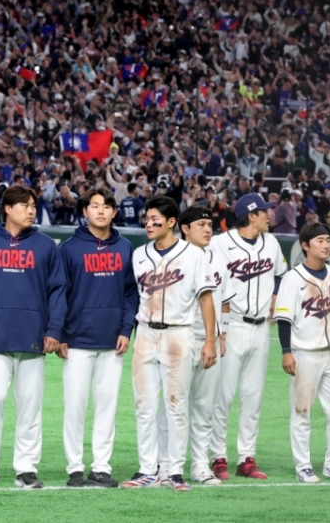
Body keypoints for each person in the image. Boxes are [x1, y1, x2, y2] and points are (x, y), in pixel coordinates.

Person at [0, 186, 65, 490]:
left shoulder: (46, 246)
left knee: (30, 404)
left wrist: (54, 329)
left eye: (33, 205)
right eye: (25, 205)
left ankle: (26, 468)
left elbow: (57, 290)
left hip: (33, 336)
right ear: (7, 208)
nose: (31, 210)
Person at [121, 196, 217, 491]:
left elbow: (206, 298)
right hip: (145, 334)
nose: (149, 223)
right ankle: (148, 470)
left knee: (176, 405)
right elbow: (131, 296)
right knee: (144, 406)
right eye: (147, 219)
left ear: (172, 222)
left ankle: (174, 470)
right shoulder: (138, 255)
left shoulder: (194, 255)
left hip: (179, 333)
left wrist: (210, 340)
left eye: (155, 219)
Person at [57, 188, 138, 489]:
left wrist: (125, 329)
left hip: (112, 340)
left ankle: (101, 467)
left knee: (107, 407)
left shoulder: (125, 247)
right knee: (75, 406)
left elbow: (131, 293)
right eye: (94, 206)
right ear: (85, 211)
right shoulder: (69, 248)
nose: (100, 211)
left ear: (114, 212)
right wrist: (61, 333)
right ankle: (75, 468)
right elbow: (60, 294)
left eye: (106, 206)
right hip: (77, 340)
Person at [208, 192, 287, 481]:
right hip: (232, 328)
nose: (270, 215)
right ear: (251, 215)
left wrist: (276, 296)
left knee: (253, 397)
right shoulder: (220, 244)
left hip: (260, 330)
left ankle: (246, 458)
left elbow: (280, 274)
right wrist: (220, 330)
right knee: (223, 396)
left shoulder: (272, 243)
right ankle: (218, 456)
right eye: (265, 211)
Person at [273, 222, 330, 483]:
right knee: (302, 411)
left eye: (328, 240)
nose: (326, 245)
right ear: (305, 245)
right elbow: (284, 318)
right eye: (320, 240)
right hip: (305, 354)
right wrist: (286, 351)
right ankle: (303, 467)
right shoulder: (293, 278)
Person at [155, 206, 230, 486]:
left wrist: (221, 335)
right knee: (172, 406)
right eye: (200, 224)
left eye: (210, 224)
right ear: (184, 228)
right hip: (179, 340)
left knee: (203, 408)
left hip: (208, 342)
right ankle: (165, 464)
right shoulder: (172, 258)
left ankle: (200, 465)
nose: (208, 229)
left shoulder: (218, 260)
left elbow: (224, 301)